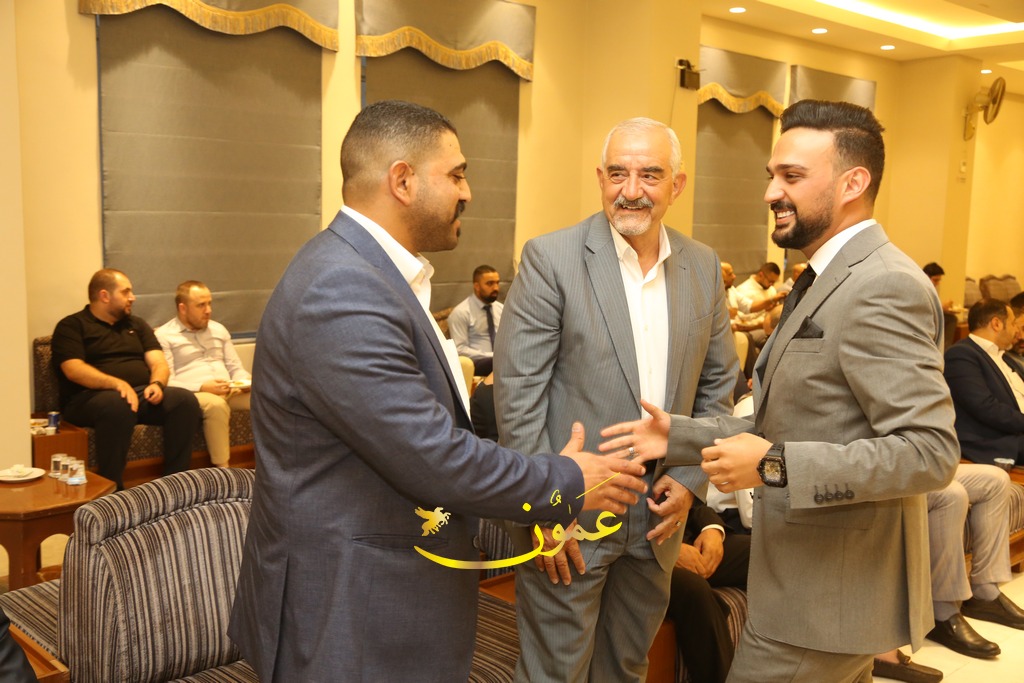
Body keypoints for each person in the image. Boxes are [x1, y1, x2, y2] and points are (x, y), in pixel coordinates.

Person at [226, 100, 649, 682]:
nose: (467, 192)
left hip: (386, 594)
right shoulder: (342, 289)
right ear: (402, 181)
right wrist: (568, 480)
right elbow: (433, 457)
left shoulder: (373, 275)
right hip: (352, 611)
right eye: (456, 174)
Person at [601, 99, 959, 682]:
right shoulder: (824, 277)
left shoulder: (883, 285)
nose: (771, 192)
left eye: (792, 176)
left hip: (823, 599)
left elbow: (929, 452)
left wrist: (772, 466)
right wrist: (676, 435)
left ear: (852, 183)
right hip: (804, 586)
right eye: (773, 176)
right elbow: (791, 417)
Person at [495, 117, 738, 682]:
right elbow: (518, 397)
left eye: (650, 174)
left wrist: (690, 480)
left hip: (658, 521)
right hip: (570, 520)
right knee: (555, 673)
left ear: (677, 185)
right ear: (600, 178)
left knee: (626, 669)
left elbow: (717, 387)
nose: (631, 190)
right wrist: (544, 506)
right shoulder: (551, 258)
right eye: (618, 173)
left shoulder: (702, 266)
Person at [51, 269, 202, 490]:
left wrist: (157, 384)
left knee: (184, 400)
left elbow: (158, 363)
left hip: (138, 395)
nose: (133, 297)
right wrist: (117, 384)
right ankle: (113, 489)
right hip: (87, 399)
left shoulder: (137, 325)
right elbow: (73, 369)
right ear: (104, 296)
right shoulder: (72, 326)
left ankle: (174, 484)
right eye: (126, 292)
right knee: (118, 404)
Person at [155, 281, 251, 468]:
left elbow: (235, 368)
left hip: (230, 390)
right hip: (194, 394)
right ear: (183, 308)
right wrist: (201, 387)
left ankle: (272, 461)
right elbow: (168, 380)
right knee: (216, 405)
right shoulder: (165, 336)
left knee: (266, 398)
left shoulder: (218, 330)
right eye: (201, 305)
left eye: (209, 304)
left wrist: (246, 381)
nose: (208, 310)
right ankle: (223, 470)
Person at [668, 497, 751, 683]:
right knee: (694, 589)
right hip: (639, 554)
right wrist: (667, 551)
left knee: (768, 553)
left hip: (686, 536)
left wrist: (712, 528)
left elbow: (691, 500)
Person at [944, 298, 1024, 466]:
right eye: (1012, 324)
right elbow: (985, 407)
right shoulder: (961, 354)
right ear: (996, 324)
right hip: (996, 441)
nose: (1017, 330)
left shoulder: (1006, 357)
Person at [448, 265, 502, 375]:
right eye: (490, 284)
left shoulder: (502, 309)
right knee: (499, 363)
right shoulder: (461, 312)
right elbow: (459, 349)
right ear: (477, 286)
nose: (496, 288)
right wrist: (493, 355)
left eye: (497, 283)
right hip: (478, 363)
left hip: (500, 359)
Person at [733, 262, 787, 347]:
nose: (772, 284)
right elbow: (742, 320)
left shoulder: (771, 289)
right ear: (761, 275)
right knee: (773, 340)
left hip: (769, 326)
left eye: (774, 282)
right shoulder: (743, 290)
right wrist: (764, 315)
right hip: (751, 329)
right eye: (770, 281)